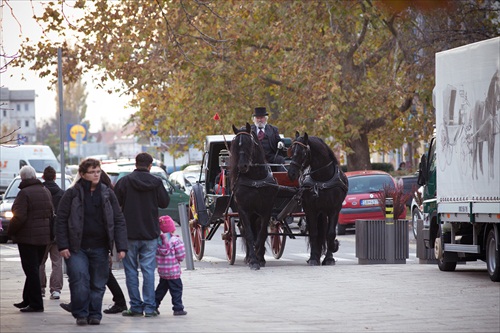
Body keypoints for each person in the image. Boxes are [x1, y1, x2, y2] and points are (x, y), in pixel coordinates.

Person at [55, 158, 128, 326]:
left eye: (98, 171)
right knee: (79, 280)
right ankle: (81, 313)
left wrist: (121, 246)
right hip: (76, 247)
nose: (96, 175)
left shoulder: (107, 193)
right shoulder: (72, 193)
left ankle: (95, 314)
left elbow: (118, 219)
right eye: (92, 172)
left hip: (100, 247)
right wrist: (63, 245)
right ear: (82, 174)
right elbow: (61, 220)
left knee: (98, 283)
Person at [114, 152, 170, 318]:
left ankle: (136, 307)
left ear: (135, 164)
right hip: (150, 233)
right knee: (148, 270)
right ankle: (150, 307)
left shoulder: (124, 182)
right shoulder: (156, 182)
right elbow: (164, 202)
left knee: (131, 271)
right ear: (150, 165)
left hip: (129, 233)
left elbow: (116, 204)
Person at [8, 165, 53, 313]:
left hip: (28, 238)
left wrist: (11, 232)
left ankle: (36, 304)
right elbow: (50, 213)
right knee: (34, 269)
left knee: (31, 270)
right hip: (44, 238)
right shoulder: (45, 191)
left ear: (22, 178)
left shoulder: (24, 193)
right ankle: (27, 299)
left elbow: (19, 216)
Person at [39, 166, 64, 300]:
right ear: (55, 177)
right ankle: (56, 290)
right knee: (57, 262)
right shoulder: (62, 193)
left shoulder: (40, 192)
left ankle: (40, 288)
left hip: (42, 233)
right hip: (57, 233)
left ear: (43, 177)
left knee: (40, 262)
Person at [154, 215, 187, 316]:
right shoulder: (176, 241)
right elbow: (181, 255)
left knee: (161, 289)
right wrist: (179, 259)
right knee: (176, 289)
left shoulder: (158, 242)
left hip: (163, 272)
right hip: (174, 272)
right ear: (172, 229)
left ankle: (154, 305)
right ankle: (178, 308)